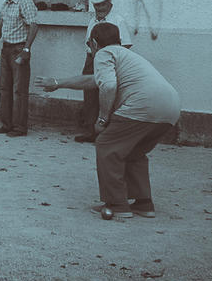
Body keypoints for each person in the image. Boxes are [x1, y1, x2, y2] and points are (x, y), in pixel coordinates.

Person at [35, 22, 180, 220]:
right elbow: (94, 80)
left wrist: (103, 119)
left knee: (106, 145)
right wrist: (58, 83)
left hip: (141, 106)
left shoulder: (103, 54)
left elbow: (109, 86)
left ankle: (117, 205)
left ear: (94, 43)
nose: (90, 48)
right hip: (170, 108)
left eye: (89, 44)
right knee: (134, 151)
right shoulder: (125, 55)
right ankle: (144, 203)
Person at [75, 0, 132, 143]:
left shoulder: (118, 20)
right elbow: (89, 43)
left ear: (110, 5)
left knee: (108, 95)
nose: (99, 8)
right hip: (92, 60)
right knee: (90, 95)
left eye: (103, 5)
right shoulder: (93, 21)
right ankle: (90, 132)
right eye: (96, 5)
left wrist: (112, 60)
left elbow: (126, 44)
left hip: (110, 61)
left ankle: (107, 134)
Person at [0, 0, 39, 137]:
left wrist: (27, 49)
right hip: (6, 49)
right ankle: (6, 124)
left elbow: (34, 25)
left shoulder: (24, 1)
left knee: (19, 90)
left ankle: (19, 127)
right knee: (4, 88)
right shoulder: (5, 4)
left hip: (19, 49)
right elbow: (0, 26)